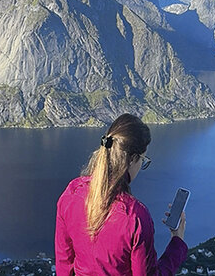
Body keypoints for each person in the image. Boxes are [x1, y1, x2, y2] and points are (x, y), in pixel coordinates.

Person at [54, 114, 188, 276]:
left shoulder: (72, 193)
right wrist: (177, 243)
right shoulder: (135, 217)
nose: (140, 166)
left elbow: (64, 263)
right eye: (143, 160)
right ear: (132, 159)